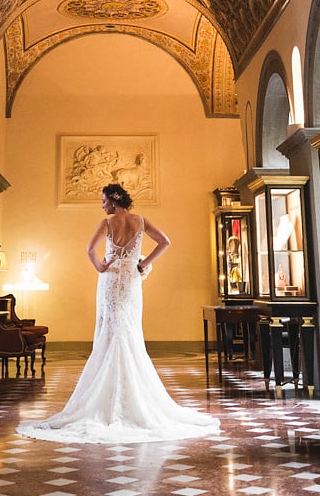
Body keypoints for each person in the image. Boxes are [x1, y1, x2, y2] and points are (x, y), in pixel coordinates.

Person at [17, 183, 220, 444]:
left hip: (111, 280)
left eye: (103, 201)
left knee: (111, 329)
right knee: (129, 329)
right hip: (131, 281)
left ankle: (105, 396)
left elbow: (90, 250)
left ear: (113, 201)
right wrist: (144, 263)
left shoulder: (107, 223)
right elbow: (165, 242)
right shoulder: (140, 221)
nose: (102, 205)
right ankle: (132, 394)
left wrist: (100, 267)